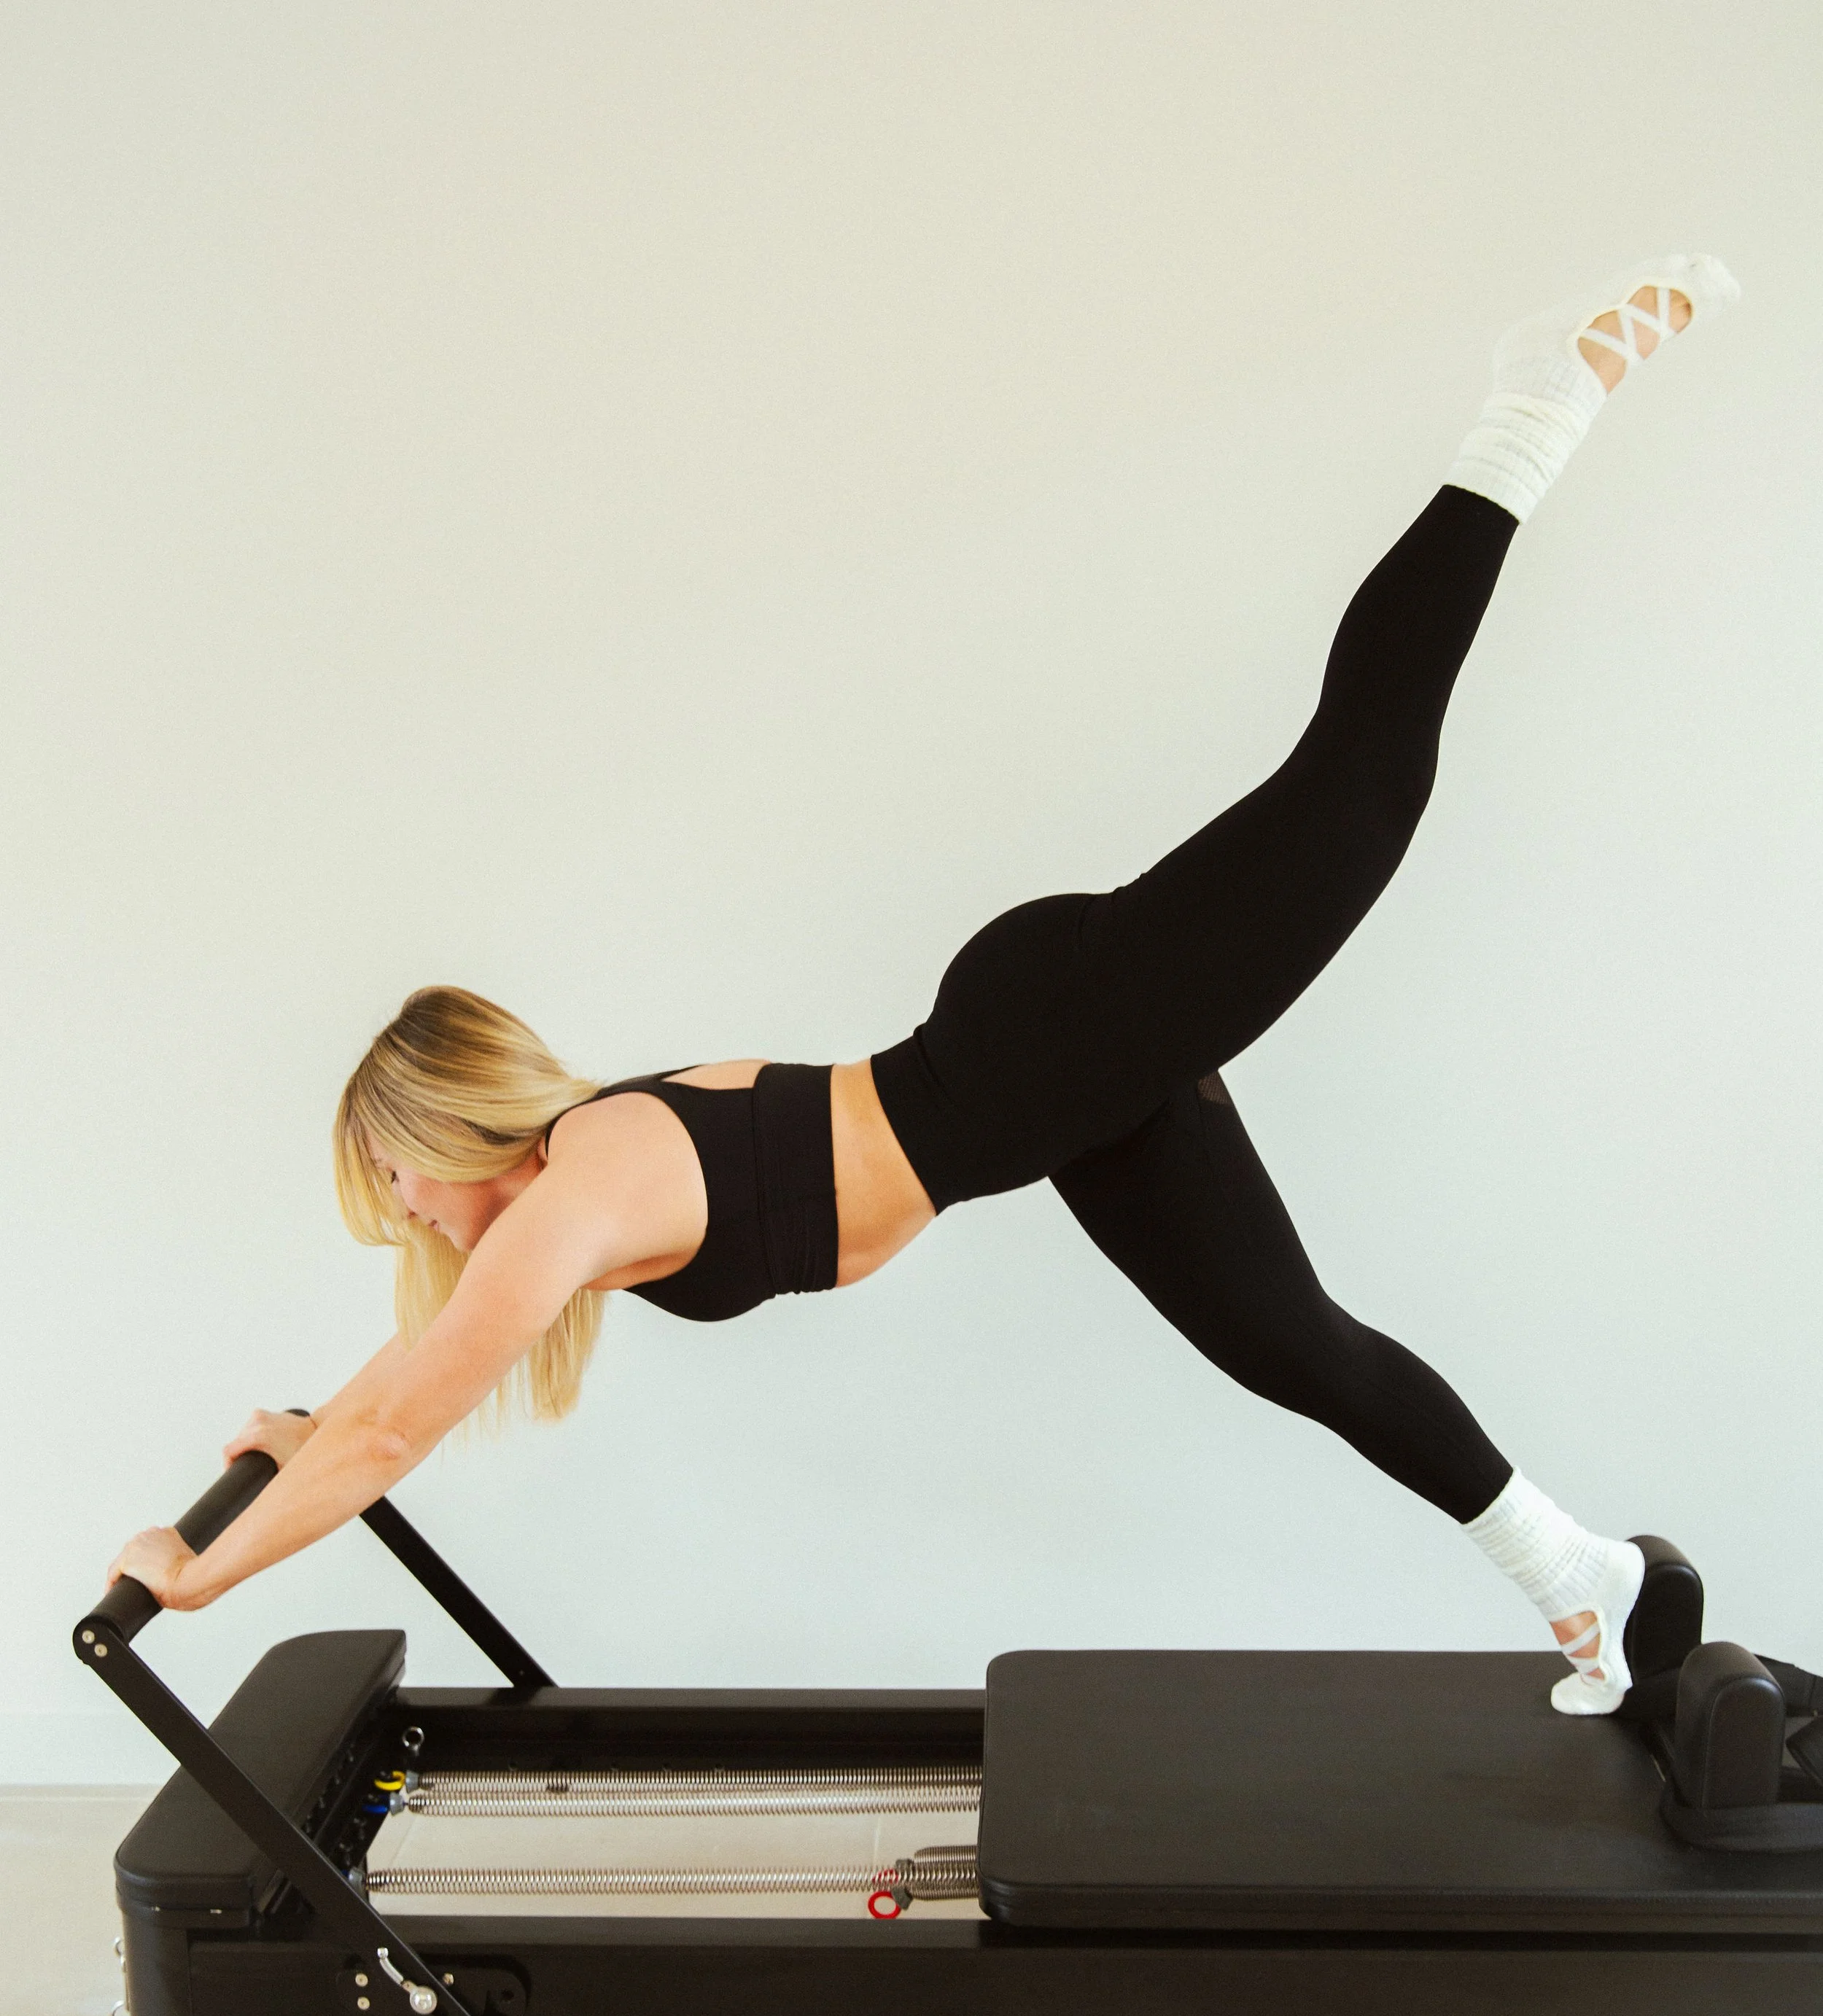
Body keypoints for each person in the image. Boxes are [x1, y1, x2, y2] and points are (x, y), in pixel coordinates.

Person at [108, 255, 1740, 1716]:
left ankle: (1535, 400)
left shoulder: (573, 1196)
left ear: (448, 1127)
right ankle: (1585, 1580)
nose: (409, 1222)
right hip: (1034, 1071)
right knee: (1291, 1340)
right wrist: (287, 1448)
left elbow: (402, 1421)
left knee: (1360, 783)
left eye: (396, 1187)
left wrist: (201, 1571)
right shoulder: (575, 1180)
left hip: (1038, 1046)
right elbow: (393, 1395)